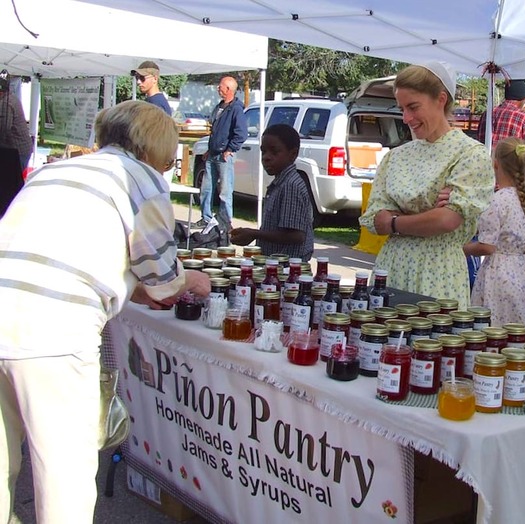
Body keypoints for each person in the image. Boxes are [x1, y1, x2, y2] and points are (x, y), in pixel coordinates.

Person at [0, 100, 211, 523]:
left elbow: (82, 253)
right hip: (52, 332)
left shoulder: (58, 169)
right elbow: (163, 283)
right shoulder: (143, 181)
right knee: (64, 469)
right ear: (159, 148)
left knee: (3, 457)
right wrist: (195, 281)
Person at [359, 61, 494, 309]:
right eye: (401, 109)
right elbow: (375, 219)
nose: (406, 118)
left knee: (430, 342)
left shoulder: (470, 154)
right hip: (392, 268)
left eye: (413, 107)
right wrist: (428, 214)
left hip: (439, 270)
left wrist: (396, 221)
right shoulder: (396, 156)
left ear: (441, 99)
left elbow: (447, 221)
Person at [465, 138, 525, 341]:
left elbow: (487, 246)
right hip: (520, 274)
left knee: (493, 328)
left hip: (497, 275)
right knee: (517, 329)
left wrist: (463, 248)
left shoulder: (496, 201)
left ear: (495, 164)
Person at [230, 124, 314, 261]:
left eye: (274, 152)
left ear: (293, 154)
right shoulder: (280, 183)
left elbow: (297, 236)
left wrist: (254, 234)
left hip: (287, 268)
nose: (266, 157)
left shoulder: (290, 185)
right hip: (273, 264)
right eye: (263, 151)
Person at [196, 76, 248, 227]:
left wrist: (230, 149)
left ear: (229, 90)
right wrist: (209, 149)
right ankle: (206, 218)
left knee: (225, 191)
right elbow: (215, 131)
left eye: (221, 87)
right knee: (206, 188)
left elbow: (241, 133)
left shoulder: (236, 109)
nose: (218, 89)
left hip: (224, 156)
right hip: (213, 153)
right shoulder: (219, 106)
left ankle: (226, 222)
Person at [477, 79, 525, 156]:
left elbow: (480, 141)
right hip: (509, 165)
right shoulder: (523, 117)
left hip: (486, 163)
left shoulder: (487, 113)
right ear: (523, 98)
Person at [0, 69, 32, 170]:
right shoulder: (10, 98)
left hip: (18, 151)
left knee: (12, 181)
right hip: (18, 149)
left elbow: (3, 130)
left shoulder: (5, 103)